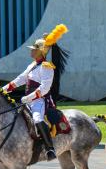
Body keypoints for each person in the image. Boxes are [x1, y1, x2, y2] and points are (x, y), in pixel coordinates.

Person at [4, 24, 69, 161]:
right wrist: (4, 89)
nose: (31, 51)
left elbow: (45, 88)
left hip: (40, 101)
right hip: (29, 100)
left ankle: (49, 148)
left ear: (41, 52)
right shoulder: (32, 65)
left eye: (34, 49)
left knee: (38, 119)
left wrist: (29, 98)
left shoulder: (47, 67)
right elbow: (21, 79)